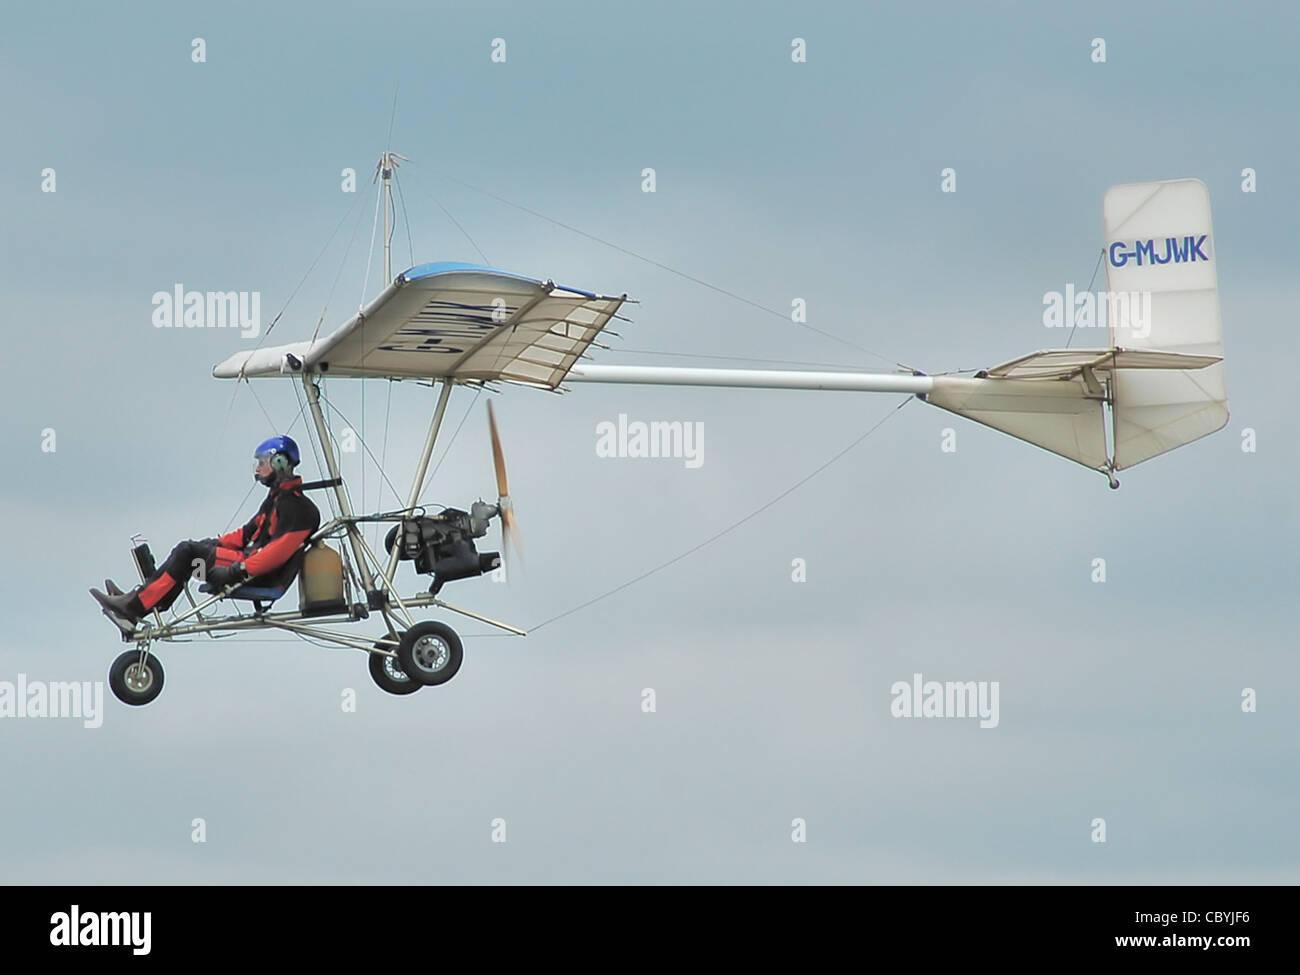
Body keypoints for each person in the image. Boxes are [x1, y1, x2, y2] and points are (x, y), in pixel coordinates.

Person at [91, 436, 320, 636]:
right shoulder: (278, 498)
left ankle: (134, 606)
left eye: (262, 463)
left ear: (279, 462)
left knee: (188, 554)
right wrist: (213, 544)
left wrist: (236, 570)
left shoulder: (297, 507)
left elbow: (276, 554)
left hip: (259, 575)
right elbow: (245, 535)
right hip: (248, 565)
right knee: (192, 553)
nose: (257, 469)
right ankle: (148, 599)